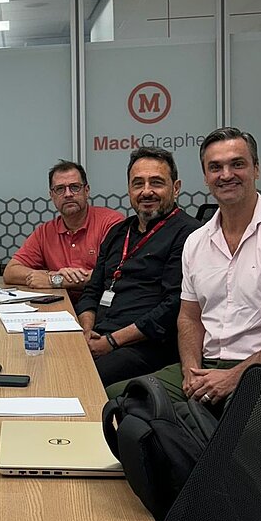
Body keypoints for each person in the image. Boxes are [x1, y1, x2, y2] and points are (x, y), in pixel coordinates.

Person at [108, 128, 261, 405]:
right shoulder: (196, 241)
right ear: (205, 177)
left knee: (235, 424)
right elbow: (189, 318)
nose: (226, 175)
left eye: (237, 164)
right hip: (207, 366)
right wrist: (190, 371)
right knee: (120, 401)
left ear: (256, 169)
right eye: (215, 167)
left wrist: (235, 376)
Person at [77, 146, 200, 387]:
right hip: (100, 335)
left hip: (147, 346)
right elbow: (92, 290)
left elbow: (172, 306)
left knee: (81, 379)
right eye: (138, 184)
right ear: (129, 190)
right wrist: (87, 331)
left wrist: (111, 341)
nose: (146, 191)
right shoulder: (118, 232)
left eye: (156, 183)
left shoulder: (189, 234)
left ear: (176, 188)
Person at [3, 160, 123, 301]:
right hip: (60, 305)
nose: (68, 194)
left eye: (74, 187)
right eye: (60, 189)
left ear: (87, 191)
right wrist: (52, 275)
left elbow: (116, 274)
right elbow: (10, 271)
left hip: (103, 306)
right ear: (51, 195)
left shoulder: (111, 222)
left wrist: (55, 281)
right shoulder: (45, 232)